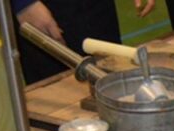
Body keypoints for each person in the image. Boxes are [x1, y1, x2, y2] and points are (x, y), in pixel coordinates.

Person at [13, 0, 157, 83]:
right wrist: (23, 3)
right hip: (43, 8)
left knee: (110, 83)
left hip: (93, 8)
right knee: (57, 92)